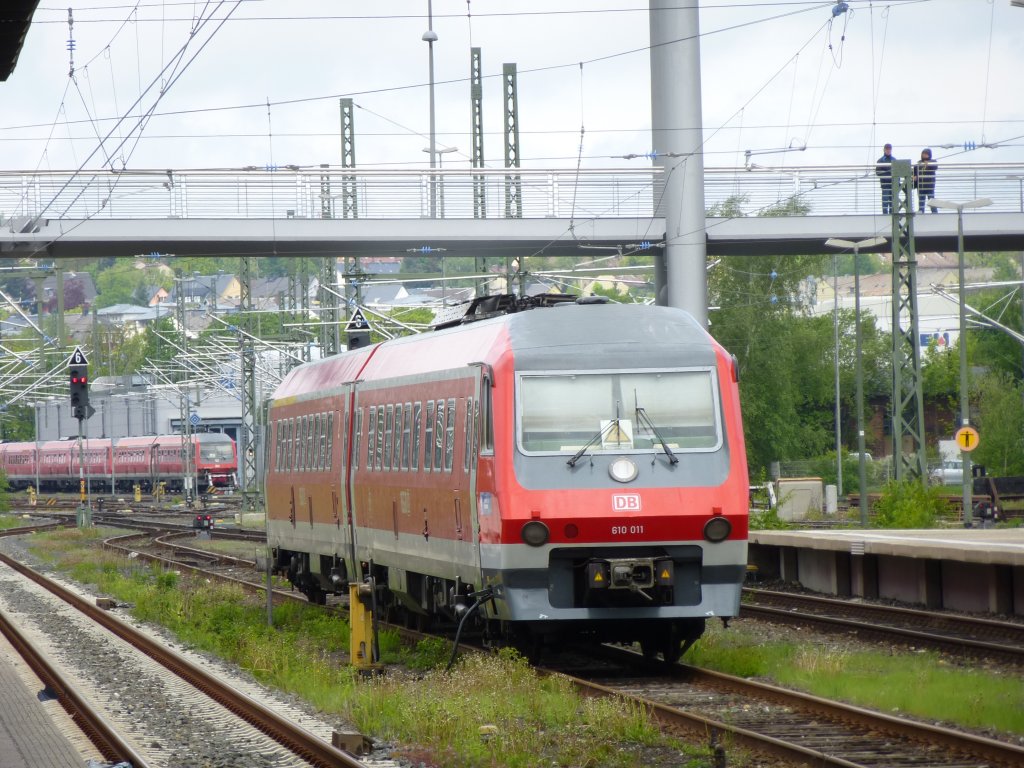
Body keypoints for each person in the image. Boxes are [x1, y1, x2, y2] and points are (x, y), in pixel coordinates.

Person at [914, 148, 937, 213]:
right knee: (921, 203)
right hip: (921, 186)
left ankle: (935, 214)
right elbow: (915, 172)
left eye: (926, 154)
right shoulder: (919, 163)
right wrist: (914, 176)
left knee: (932, 202)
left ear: (929, 155)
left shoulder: (933, 162)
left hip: (930, 186)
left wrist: (929, 163)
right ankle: (921, 213)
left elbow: (935, 167)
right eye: (923, 154)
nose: (924, 155)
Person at [875, 143, 895, 214]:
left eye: (889, 149)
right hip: (885, 184)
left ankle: (892, 213)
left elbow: (897, 172)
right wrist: (888, 172)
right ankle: (885, 214)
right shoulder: (880, 160)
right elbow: (878, 172)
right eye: (887, 149)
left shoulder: (894, 160)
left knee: (892, 200)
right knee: (885, 200)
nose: (888, 150)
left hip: (893, 184)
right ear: (884, 150)